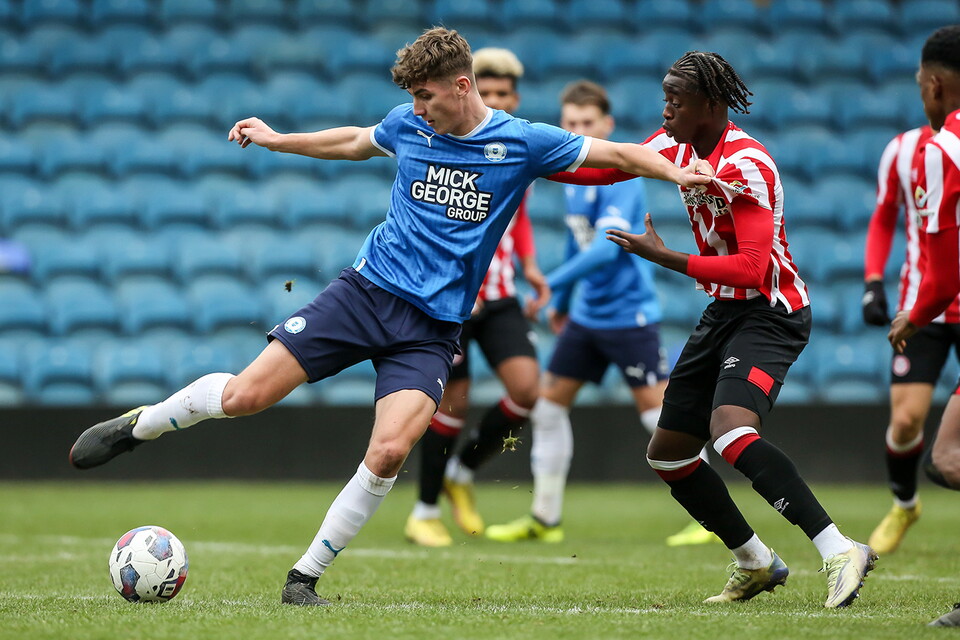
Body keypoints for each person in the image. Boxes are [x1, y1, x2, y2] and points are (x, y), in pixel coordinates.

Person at [67, 27, 709, 606]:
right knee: (243, 397)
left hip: (431, 330)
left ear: (462, 86)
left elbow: (622, 156)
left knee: (391, 450)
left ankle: (304, 578)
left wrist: (688, 173)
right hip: (363, 295)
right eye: (414, 98)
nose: (418, 108)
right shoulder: (410, 124)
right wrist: (274, 138)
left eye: (427, 96)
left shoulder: (521, 142)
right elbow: (351, 140)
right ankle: (141, 425)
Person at [549, 51, 876, 608]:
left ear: (712, 104)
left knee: (729, 430)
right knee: (669, 453)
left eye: (678, 98)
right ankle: (754, 560)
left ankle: (839, 548)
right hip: (723, 311)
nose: (666, 106)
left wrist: (665, 256)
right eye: (665, 95)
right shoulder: (672, 145)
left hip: (771, 310)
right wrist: (516, 160)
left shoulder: (747, 163)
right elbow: (605, 168)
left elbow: (752, 266)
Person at [485, 80, 717, 547]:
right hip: (587, 318)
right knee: (549, 409)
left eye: (586, 124)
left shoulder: (624, 178)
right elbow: (579, 241)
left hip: (628, 318)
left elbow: (607, 252)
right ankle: (545, 518)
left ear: (606, 127)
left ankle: (709, 517)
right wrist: (565, 305)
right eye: (569, 123)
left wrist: (553, 283)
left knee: (661, 418)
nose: (577, 130)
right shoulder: (575, 180)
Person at [404, 47, 549, 548]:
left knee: (528, 389)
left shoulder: (516, 142)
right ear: (470, 89)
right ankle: (424, 511)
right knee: (449, 404)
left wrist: (529, 265)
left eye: (507, 94)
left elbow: (518, 213)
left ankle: (461, 472)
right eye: (491, 91)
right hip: (456, 297)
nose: (499, 101)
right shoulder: (447, 138)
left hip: (502, 293)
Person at [884, 24, 960, 628]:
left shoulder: (942, 150)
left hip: (934, 305)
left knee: (950, 458)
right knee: (931, 441)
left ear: (935, 84)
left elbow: (940, 274)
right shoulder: (908, 151)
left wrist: (913, 314)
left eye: (920, 84)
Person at [862, 120, 945, 557]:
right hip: (922, 308)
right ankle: (904, 505)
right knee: (906, 421)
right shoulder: (902, 149)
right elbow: (883, 215)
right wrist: (873, 280)